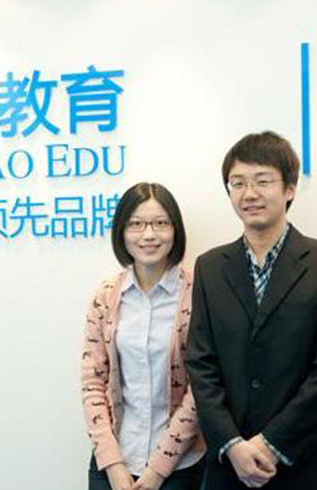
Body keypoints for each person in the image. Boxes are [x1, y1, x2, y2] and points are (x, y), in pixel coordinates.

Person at [186, 131, 317, 489]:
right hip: (230, 468)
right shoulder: (210, 267)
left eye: (262, 181)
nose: (249, 194)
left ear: (289, 189)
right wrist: (232, 444)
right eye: (238, 183)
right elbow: (201, 364)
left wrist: (271, 443)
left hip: (305, 463)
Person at [81, 182, 206, 490]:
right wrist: (112, 464)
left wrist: (157, 470)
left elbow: (203, 386)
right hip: (114, 463)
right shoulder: (106, 295)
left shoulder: (198, 294)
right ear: (121, 232)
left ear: (175, 230)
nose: (149, 234)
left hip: (180, 466)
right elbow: (92, 381)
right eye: (136, 224)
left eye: (161, 223)